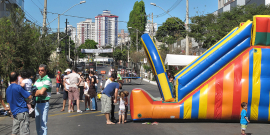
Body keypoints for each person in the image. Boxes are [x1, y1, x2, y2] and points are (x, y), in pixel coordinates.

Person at [33, 64, 52, 135]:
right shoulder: (37, 80)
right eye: (39, 70)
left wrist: (38, 92)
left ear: (46, 71)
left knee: (43, 124)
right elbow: (32, 92)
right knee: (37, 126)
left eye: (42, 70)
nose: (40, 72)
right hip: (37, 103)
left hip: (44, 103)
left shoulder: (48, 79)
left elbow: (41, 92)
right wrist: (39, 92)